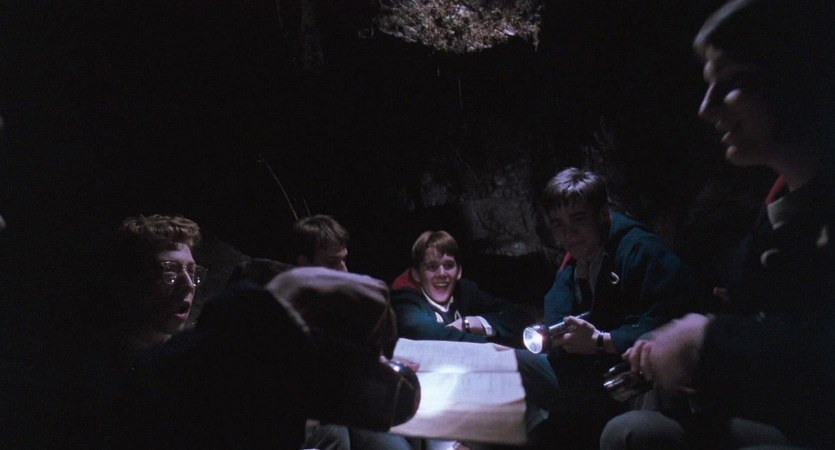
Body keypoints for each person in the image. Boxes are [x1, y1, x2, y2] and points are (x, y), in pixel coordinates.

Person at [600, 1, 835, 449]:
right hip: (782, 409)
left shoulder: (637, 248)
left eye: (730, 82)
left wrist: (706, 340)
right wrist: (677, 347)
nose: (706, 108)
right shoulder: (779, 209)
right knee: (632, 431)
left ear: (797, 75)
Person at [538, 167, 697, 449]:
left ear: (602, 214)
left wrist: (603, 341)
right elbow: (558, 305)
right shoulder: (576, 264)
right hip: (597, 376)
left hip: (644, 378)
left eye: (578, 219)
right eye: (558, 224)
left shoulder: (640, 250)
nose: (569, 233)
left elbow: (674, 321)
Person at [290, 214, 413, 450]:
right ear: (304, 263)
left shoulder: (343, 299)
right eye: (332, 263)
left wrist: (382, 363)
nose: (344, 270)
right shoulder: (285, 308)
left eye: (344, 260)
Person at [391, 230, 534, 348]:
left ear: (459, 271)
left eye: (448, 265)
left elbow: (522, 319)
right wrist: (496, 350)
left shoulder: (465, 290)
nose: (442, 274)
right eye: (432, 267)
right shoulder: (406, 301)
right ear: (416, 274)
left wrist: (471, 323)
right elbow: (432, 337)